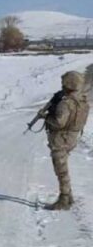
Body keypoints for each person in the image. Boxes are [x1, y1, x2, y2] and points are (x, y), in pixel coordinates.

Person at [42, 71, 89, 210]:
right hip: (72, 137)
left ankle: (64, 199)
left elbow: (58, 122)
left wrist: (46, 117)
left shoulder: (65, 103)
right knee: (63, 167)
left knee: (61, 170)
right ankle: (68, 195)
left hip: (61, 139)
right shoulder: (82, 100)